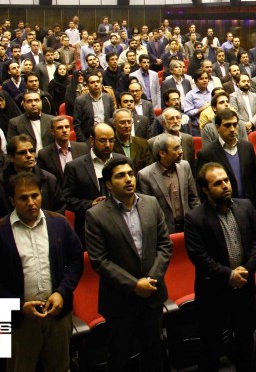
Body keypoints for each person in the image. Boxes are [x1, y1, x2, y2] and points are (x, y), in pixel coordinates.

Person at [0, 170, 84, 372]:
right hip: (21, 320)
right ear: (12, 200)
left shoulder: (59, 224)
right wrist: (18, 305)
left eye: (35, 195)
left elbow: (76, 261)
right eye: (23, 198)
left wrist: (62, 292)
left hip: (57, 315)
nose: (31, 202)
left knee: (60, 367)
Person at [86, 156, 173, 372]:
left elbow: (164, 245)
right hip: (120, 300)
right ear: (108, 184)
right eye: (120, 176)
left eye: (130, 174)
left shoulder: (150, 204)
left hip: (152, 294)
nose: (128, 179)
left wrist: (151, 279)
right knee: (120, 357)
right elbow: (100, 261)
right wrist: (134, 285)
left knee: (154, 353)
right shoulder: (96, 215)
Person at [184, 162, 256, 371]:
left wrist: (247, 270)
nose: (225, 185)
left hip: (245, 287)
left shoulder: (245, 206)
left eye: (226, 180)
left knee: (246, 341)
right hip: (214, 292)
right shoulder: (194, 218)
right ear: (205, 190)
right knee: (210, 346)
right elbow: (199, 256)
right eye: (217, 183)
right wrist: (229, 276)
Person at [0, 135, 64, 230]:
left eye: (31, 151)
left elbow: (59, 211)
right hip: (12, 232)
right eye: (22, 153)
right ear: (11, 157)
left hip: (46, 230)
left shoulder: (49, 179)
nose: (29, 155)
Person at [63, 123, 122, 245]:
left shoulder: (122, 161)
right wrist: (90, 204)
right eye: (102, 140)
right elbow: (67, 200)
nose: (107, 145)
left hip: (121, 225)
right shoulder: (74, 167)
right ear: (91, 140)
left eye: (111, 140)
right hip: (90, 229)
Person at [197, 109, 256, 209]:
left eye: (235, 125)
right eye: (227, 125)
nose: (232, 129)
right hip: (222, 208)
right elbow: (202, 188)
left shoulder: (247, 147)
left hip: (249, 206)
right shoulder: (206, 153)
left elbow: (255, 179)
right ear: (217, 127)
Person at [138, 133, 200, 233]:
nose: (181, 151)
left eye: (180, 147)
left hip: (188, 226)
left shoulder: (185, 166)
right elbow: (149, 210)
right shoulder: (145, 175)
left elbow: (193, 198)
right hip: (164, 230)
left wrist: (198, 222)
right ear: (162, 153)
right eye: (176, 149)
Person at [36, 116, 89, 185]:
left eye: (67, 127)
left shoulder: (82, 148)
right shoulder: (44, 154)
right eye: (60, 127)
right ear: (52, 132)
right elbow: (43, 180)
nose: (64, 130)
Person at [73, 72, 114, 142]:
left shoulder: (108, 98)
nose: (96, 84)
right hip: (88, 139)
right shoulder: (80, 101)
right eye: (92, 82)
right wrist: (84, 142)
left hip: (106, 137)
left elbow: (112, 119)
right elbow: (77, 125)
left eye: (98, 82)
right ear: (87, 85)